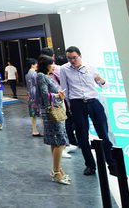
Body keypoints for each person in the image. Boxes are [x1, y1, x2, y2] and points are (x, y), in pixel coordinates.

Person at [59, 46, 117, 177]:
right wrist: (68, 108)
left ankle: (112, 164)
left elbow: (104, 85)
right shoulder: (64, 69)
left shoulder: (90, 67)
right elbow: (64, 89)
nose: (72, 60)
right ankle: (90, 165)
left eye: (74, 57)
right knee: (82, 136)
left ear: (80, 56)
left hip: (93, 102)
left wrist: (100, 80)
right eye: (69, 58)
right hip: (77, 103)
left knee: (104, 134)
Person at [36, 54, 71, 185]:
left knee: (55, 141)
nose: (53, 66)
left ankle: (57, 169)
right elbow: (45, 95)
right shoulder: (41, 76)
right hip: (52, 112)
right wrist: (58, 96)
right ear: (46, 65)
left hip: (52, 112)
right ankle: (56, 172)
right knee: (60, 142)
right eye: (51, 64)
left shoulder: (45, 76)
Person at [47, 48, 79, 159]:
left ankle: (66, 145)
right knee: (60, 125)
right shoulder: (55, 71)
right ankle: (63, 147)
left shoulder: (54, 70)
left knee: (64, 124)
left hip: (60, 100)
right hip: (56, 102)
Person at [26, 59, 42, 137]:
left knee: (33, 114)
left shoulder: (27, 74)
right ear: (32, 65)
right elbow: (38, 84)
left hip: (30, 95)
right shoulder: (34, 74)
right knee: (42, 113)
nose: (37, 65)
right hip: (36, 94)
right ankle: (46, 131)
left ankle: (34, 130)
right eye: (36, 64)